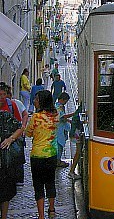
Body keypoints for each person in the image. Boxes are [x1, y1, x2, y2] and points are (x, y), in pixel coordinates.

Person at [26, 90, 59, 219]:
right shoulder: (56, 115)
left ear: (41, 101)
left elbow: (28, 133)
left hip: (37, 156)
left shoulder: (36, 117)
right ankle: (51, 209)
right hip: (52, 154)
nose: (34, 101)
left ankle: (41, 216)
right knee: (50, 182)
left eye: (36, 99)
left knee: (38, 184)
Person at [0, 83, 26, 219]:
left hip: (7, 157)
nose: (2, 97)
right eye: (0, 95)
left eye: (4, 94)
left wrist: (11, 139)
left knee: (6, 190)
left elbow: (20, 127)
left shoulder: (11, 106)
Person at [6, 86, 29, 185]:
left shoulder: (16, 103)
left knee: (18, 155)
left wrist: (23, 126)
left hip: (17, 134)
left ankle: (19, 178)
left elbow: (25, 114)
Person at [55, 92, 74, 167]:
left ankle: (58, 160)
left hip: (60, 129)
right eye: (66, 101)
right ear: (62, 99)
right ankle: (57, 161)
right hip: (59, 130)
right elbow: (62, 117)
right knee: (59, 145)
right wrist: (73, 114)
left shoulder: (59, 106)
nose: (66, 103)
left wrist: (69, 121)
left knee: (60, 145)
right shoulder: (58, 107)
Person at [68, 102, 83, 180]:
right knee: (78, 152)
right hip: (77, 133)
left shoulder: (79, 110)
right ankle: (71, 171)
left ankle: (72, 171)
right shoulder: (79, 111)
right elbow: (75, 121)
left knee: (78, 152)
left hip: (76, 132)